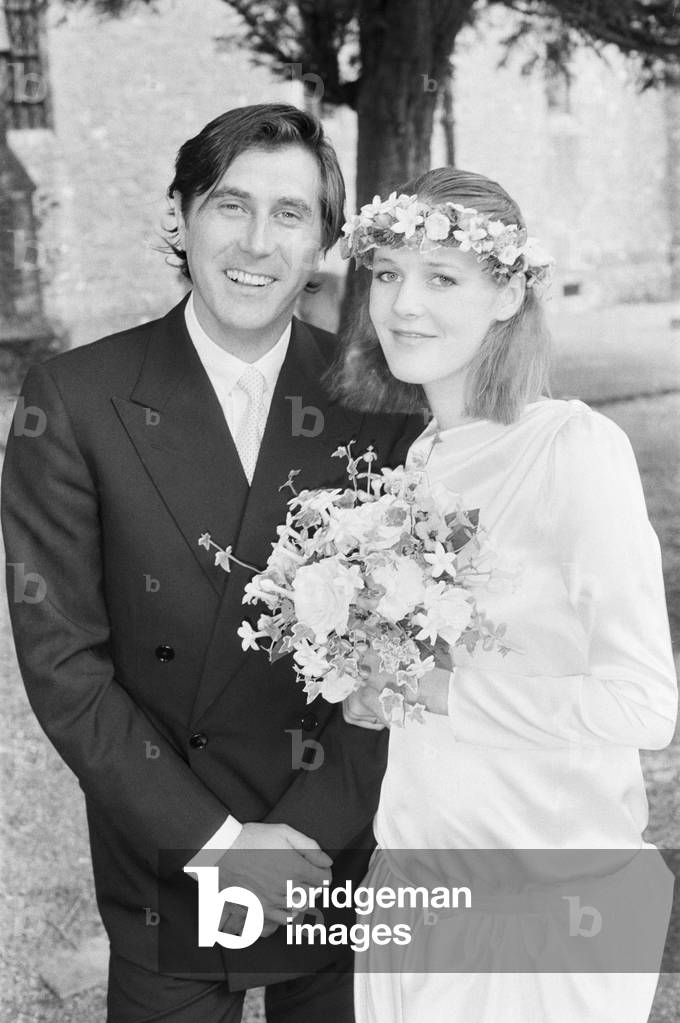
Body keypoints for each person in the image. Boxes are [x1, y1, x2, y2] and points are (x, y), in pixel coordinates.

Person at [1, 103, 422, 1023]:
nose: (256, 243)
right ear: (178, 217)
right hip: (169, 858)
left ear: (323, 244)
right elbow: (65, 666)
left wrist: (305, 836)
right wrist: (220, 844)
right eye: (231, 205)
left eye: (290, 214)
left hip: (334, 852)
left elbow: (404, 658)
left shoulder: (383, 408)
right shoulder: (72, 400)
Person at [331, 168, 678, 1022]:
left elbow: (645, 704)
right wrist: (381, 687)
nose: (402, 303)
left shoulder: (573, 448)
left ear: (508, 292)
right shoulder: (418, 459)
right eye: (385, 273)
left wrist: (446, 693)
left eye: (441, 277)